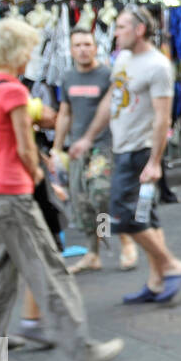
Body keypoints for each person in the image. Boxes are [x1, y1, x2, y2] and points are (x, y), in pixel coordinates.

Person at [0, 19, 123, 361]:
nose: (31, 56)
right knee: (49, 271)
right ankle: (80, 350)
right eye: (28, 50)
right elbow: (24, 146)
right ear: (16, 53)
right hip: (12, 194)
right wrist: (36, 172)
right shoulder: (14, 91)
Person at [70, 6, 181, 304]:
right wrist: (87, 138)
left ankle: (172, 265)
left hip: (141, 151)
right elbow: (111, 100)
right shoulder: (122, 58)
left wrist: (155, 162)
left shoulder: (158, 66)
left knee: (122, 218)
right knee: (145, 217)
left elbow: (163, 118)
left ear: (139, 30)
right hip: (120, 148)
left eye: (122, 27)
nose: (115, 32)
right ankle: (157, 280)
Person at [53, 27, 138, 276]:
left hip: (103, 146)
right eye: (77, 45)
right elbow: (65, 113)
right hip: (77, 149)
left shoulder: (107, 76)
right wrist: (57, 149)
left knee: (100, 193)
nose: (83, 49)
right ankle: (93, 253)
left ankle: (124, 241)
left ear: (95, 47)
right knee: (82, 203)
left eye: (87, 44)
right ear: (70, 50)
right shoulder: (67, 77)